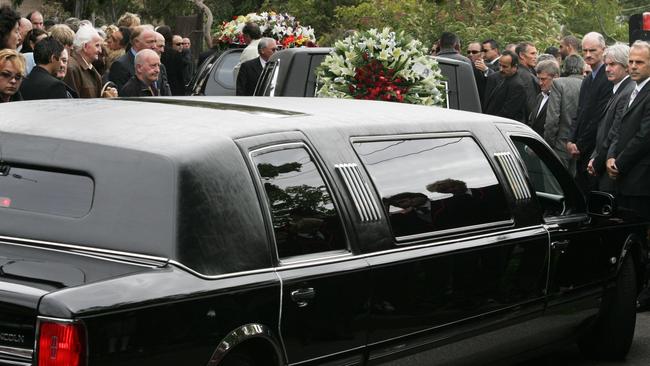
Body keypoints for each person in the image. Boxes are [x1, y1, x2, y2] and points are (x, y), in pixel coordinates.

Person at [606, 40, 650, 219]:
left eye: (639, 62)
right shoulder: (634, 90)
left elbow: (645, 136)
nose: (633, 66)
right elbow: (619, 128)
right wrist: (610, 156)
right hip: (624, 177)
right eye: (631, 62)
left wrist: (619, 163)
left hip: (640, 178)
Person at [567, 32, 612, 193]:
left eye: (592, 50)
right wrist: (571, 139)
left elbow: (598, 117)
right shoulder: (587, 79)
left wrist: (580, 145)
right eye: (584, 51)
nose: (588, 55)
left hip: (593, 148)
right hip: (580, 147)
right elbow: (579, 112)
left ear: (603, 50)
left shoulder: (607, 78)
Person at [588, 44, 634, 193]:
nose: (607, 69)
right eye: (607, 64)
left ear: (626, 66)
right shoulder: (618, 89)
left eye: (613, 64)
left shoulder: (628, 91)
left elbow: (615, 131)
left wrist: (598, 161)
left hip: (611, 166)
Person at [544, 54, 585, 174]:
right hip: (581, 145)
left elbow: (552, 118)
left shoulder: (558, 83)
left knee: (556, 188)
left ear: (564, 67)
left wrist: (549, 142)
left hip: (560, 145)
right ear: (582, 68)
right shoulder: (588, 84)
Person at [109, 25, 170, 95]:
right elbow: (121, 98)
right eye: (150, 42)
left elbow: (165, 93)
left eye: (155, 42)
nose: (154, 46)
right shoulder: (120, 65)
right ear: (136, 42)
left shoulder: (160, 66)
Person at [64, 25, 117, 98]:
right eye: (97, 45)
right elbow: (74, 104)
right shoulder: (71, 68)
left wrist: (105, 97)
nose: (100, 50)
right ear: (85, 46)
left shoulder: (88, 67)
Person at [482, 50, 526, 121]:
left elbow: (507, 112)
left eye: (505, 67)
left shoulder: (517, 86)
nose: (501, 69)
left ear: (514, 67)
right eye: (500, 65)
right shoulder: (502, 77)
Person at [529, 60, 560, 136]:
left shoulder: (559, 99)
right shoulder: (540, 96)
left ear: (555, 77)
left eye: (543, 79)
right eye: (538, 79)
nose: (540, 83)